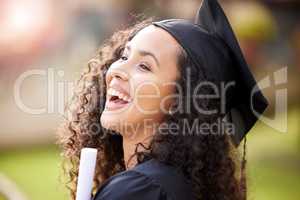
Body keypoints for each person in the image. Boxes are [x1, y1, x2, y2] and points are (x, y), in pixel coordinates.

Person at [57, 0, 268, 200]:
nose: (117, 70)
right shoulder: (181, 184)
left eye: (145, 66)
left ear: (182, 100)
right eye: (124, 56)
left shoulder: (138, 190)